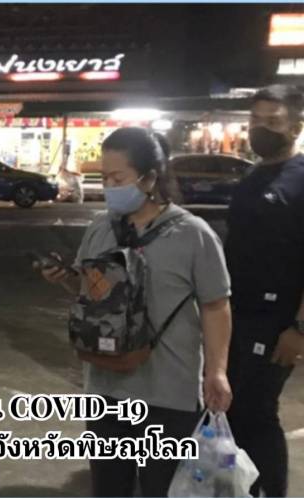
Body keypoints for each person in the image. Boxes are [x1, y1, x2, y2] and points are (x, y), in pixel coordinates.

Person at [39, 127, 233, 497]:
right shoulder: (101, 228)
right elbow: (90, 294)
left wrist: (217, 371)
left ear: (149, 178)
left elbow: (216, 305)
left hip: (167, 394)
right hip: (106, 390)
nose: (109, 187)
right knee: (108, 489)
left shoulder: (193, 234)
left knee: (162, 489)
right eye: (104, 178)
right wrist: (65, 279)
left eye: (118, 179)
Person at [225, 85, 304, 497]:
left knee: (257, 412)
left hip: (276, 323)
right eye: (255, 120)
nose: (260, 128)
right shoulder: (252, 177)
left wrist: (299, 328)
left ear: (296, 127)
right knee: (233, 410)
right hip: (236, 315)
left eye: (272, 121)